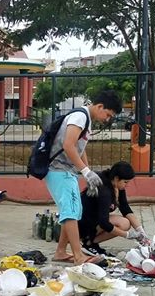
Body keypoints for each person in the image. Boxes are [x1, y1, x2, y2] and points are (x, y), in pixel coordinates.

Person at [45, 90, 122, 264]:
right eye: (108, 115)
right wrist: (86, 172)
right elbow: (68, 145)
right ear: (100, 106)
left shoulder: (86, 119)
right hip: (59, 169)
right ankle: (78, 256)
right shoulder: (80, 117)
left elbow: (80, 147)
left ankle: (61, 252)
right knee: (70, 212)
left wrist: (87, 171)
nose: (107, 119)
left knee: (74, 210)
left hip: (68, 171)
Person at [78, 161, 149, 256]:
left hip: (96, 220)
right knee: (123, 224)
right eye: (125, 182)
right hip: (83, 224)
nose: (127, 185)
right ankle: (87, 241)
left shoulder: (117, 186)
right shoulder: (104, 191)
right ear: (116, 178)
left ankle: (90, 243)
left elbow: (125, 208)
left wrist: (140, 230)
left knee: (125, 223)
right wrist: (127, 235)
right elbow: (104, 223)